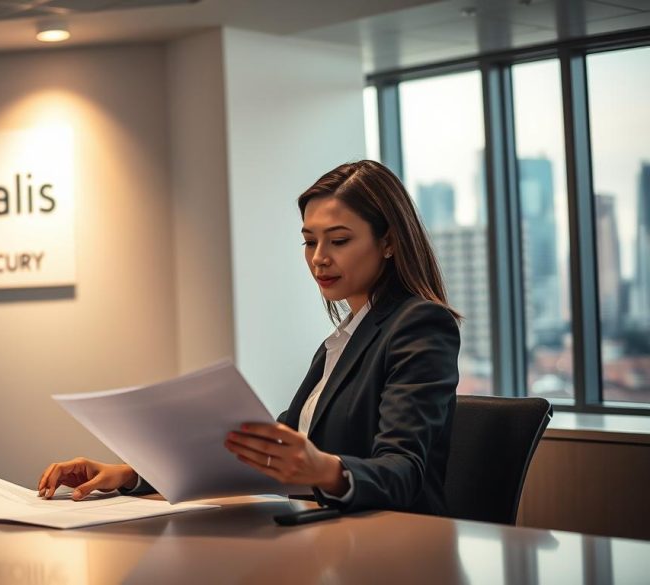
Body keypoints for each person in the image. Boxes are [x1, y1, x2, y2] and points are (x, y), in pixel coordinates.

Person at [36, 160, 461, 515]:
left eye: (339, 240)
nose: (319, 258)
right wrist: (132, 472)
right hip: (329, 540)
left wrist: (324, 469)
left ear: (388, 242)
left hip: (391, 551)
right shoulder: (346, 337)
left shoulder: (420, 324)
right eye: (309, 241)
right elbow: (262, 455)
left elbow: (404, 471)